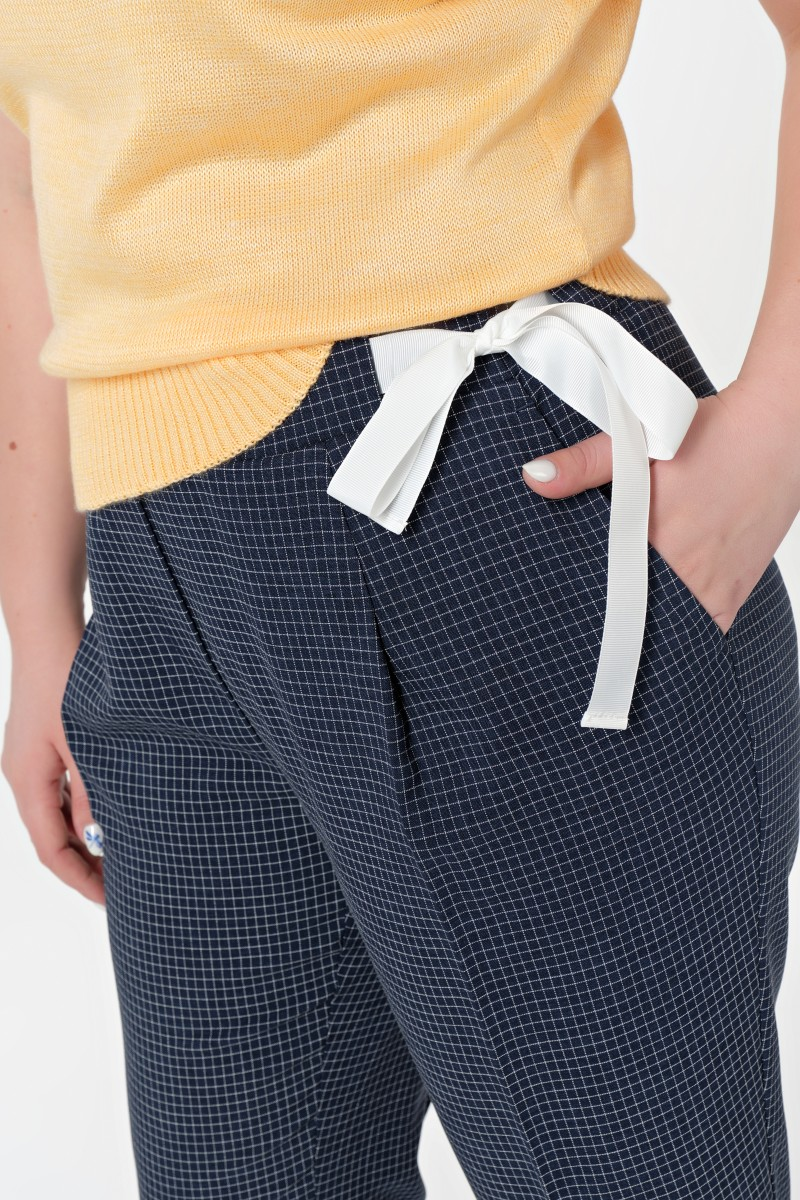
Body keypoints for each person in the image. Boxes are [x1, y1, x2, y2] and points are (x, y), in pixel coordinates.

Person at [2, 2, 800, 1197]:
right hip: (160, 579)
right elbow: (36, 161)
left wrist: (773, 440)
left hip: (486, 499)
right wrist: (40, 625)